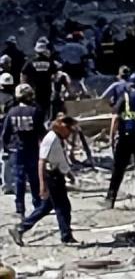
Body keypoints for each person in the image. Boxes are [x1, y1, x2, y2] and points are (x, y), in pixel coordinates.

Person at [9, 115, 80, 246]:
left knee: (47, 207)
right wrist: (42, 185)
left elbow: (60, 159)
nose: (70, 133)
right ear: (63, 127)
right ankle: (66, 236)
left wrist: (68, 173)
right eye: (69, 129)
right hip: (52, 177)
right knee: (62, 207)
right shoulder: (51, 139)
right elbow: (42, 161)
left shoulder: (58, 139)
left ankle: (21, 228)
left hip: (57, 175)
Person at [104, 73, 135, 208]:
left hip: (125, 138)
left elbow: (115, 118)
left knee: (118, 169)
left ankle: (110, 199)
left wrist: (111, 137)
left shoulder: (124, 97)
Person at [2, 85, 43, 218]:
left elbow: (5, 133)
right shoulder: (35, 111)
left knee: (19, 179)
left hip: (17, 150)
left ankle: (20, 207)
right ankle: (38, 205)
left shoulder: (12, 112)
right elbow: (41, 132)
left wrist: (6, 148)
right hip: (32, 149)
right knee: (34, 178)